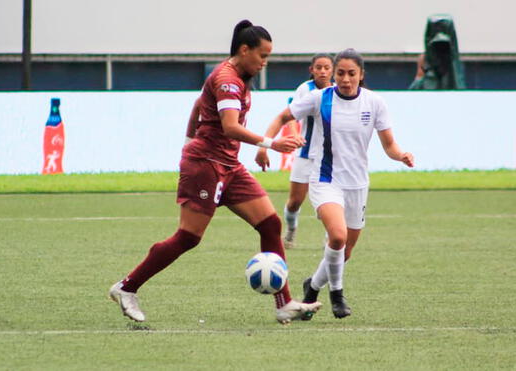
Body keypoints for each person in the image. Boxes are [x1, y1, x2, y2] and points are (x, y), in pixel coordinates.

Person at [108, 20, 322, 325]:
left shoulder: (236, 76)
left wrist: (186, 143)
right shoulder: (228, 80)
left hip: (229, 166)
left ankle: (283, 303)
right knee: (188, 237)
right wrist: (271, 143)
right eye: (262, 55)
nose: (265, 62)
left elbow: (198, 105)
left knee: (270, 224)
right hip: (206, 165)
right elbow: (230, 126)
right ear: (244, 50)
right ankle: (126, 287)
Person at [256, 48, 414, 319]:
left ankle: (312, 286)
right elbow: (283, 117)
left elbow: (389, 144)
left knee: (345, 251)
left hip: (358, 185)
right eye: (340, 73)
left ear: (361, 75)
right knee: (337, 237)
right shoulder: (320, 99)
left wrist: (401, 155)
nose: (345, 79)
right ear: (334, 74)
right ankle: (337, 294)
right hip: (325, 180)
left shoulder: (375, 103)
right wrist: (264, 145)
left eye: (352, 73)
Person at [258, 54, 334, 249]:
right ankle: (291, 231)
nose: (323, 71)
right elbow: (291, 116)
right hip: (305, 154)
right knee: (294, 202)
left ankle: (331, 238)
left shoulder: (338, 92)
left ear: (332, 70)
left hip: (329, 158)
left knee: (328, 202)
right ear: (312, 70)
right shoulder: (305, 89)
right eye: (319, 67)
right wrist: (294, 136)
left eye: (327, 67)